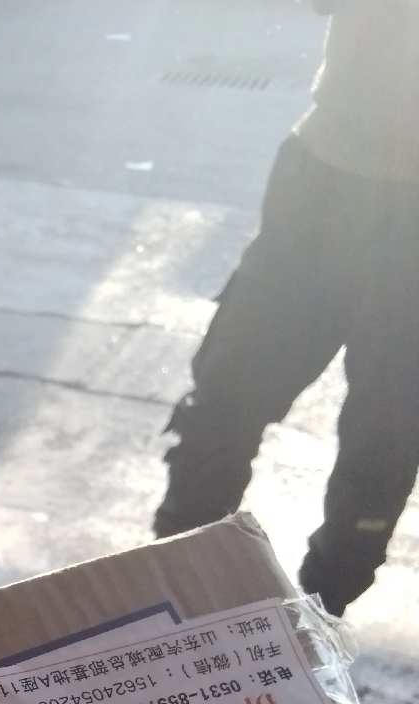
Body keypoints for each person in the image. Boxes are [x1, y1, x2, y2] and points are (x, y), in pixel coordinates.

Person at [152, 0, 419, 615]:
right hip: (327, 179)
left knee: (386, 435)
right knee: (224, 402)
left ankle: (322, 619)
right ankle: (176, 598)